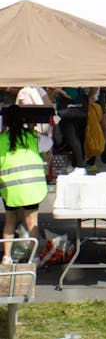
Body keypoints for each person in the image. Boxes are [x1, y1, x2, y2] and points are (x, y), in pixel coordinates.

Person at [0, 105, 52, 263]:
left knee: (10, 221)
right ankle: (34, 257)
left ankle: (7, 256)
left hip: (10, 188)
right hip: (32, 187)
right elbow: (49, 145)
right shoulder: (33, 137)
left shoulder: (1, 139)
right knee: (32, 222)